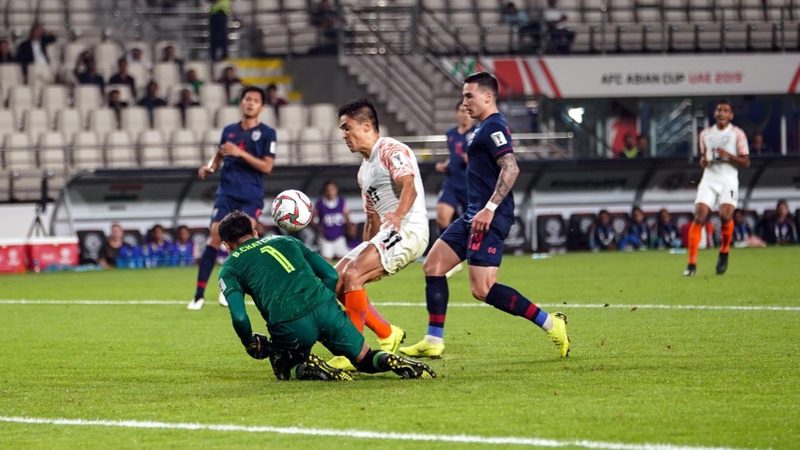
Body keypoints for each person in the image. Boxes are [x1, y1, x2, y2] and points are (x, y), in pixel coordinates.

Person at [400, 72, 569, 359]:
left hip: (490, 217)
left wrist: (490, 208)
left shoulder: (493, 127)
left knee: (483, 289)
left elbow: (511, 168)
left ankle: (552, 324)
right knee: (433, 265)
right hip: (472, 215)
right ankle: (433, 339)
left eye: (469, 96)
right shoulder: (480, 129)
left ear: (488, 96)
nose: (464, 102)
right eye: (463, 96)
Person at [217, 210, 436, 381]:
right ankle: (389, 359)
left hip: (290, 321)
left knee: (283, 367)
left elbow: (240, 317)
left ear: (226, 245)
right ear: (255, 232)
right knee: (364, 358)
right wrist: (323, 303)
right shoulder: (287, 241)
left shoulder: (230, 268)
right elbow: (331, 275)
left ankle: (309, 368)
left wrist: (249, 342)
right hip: (325, 306)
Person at [326, 98, 428, 370]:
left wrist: (398, 215)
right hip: (385, 233)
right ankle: (387, 332)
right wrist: (363, 250)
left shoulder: (391, 149)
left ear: (366, 126)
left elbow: (408, 185)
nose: (344, 135)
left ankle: (352, 352)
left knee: (353, 275)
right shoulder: (364, 171)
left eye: (347, 128)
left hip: (409, 229)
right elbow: (371, 216)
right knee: (335, 279)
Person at [188, 86, 277, 310]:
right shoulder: (229, 131)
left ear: (261, 107)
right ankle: (198, 296)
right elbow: (219, 154)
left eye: (255, 100)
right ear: (241, 102)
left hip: (250, 196)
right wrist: (210, 166)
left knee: (245, 240)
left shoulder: (267, 133)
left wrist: (240, 153)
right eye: (247, 99)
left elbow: (267, 167)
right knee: (214, 235)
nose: (250, 103)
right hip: (226, 194)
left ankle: (230, 288)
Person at [684, 100, 750, 277]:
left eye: (726, 110)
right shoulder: (705, 134)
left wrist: (728, 155)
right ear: (715, 113)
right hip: (709, 179)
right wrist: (703, 161)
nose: (722, 113)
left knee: (725, 215)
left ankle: (724, 251)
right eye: (719, 110)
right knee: (699, 216)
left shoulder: (737, 134)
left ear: (731, 115)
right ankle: (691, 264)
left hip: (729, 179)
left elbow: (746, 162)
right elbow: (703, 159)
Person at [314, 180, 351, 261]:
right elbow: (313, 219)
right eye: (328, 190)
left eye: (332, 189)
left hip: (339, 236)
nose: (330, 192)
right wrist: (319, 228)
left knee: (344, 259)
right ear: (325, 191)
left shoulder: (341, 201)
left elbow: (347, 215)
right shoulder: (320, 203)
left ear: (336, 190)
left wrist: (348, 226)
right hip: (325, 238)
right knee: (327, 259)